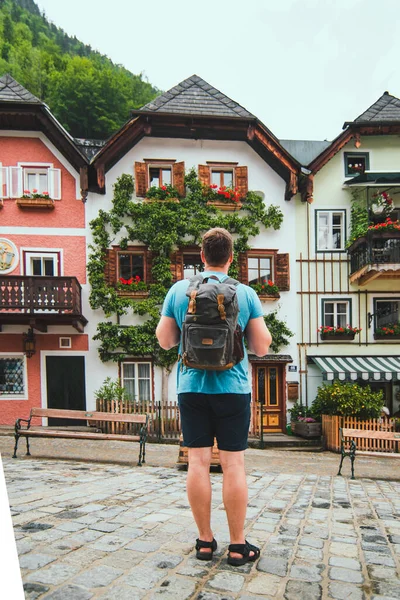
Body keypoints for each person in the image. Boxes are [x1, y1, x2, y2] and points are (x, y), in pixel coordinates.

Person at [156, 227, 272, 566]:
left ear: (202, 257)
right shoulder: (245, 293)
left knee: (198, 462)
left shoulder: (180, 290)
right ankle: (238, 546)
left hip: (191, 387)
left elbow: (165, 341)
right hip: (233, 389)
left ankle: (205, 542)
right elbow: (262, 348)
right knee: (234, 464)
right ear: (231, 258)